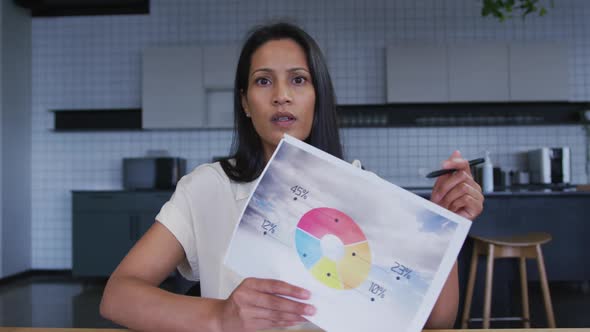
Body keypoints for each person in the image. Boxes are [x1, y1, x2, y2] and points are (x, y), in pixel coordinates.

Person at [100, 22, 484, 332]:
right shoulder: (206, 188)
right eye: (264, 81)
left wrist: (447, 225)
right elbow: (118, 296)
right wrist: (220, 318)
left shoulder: (365, 191)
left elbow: (436, 321)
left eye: (298, 80)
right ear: (245, 103)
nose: (282, 95)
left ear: (318, 97)